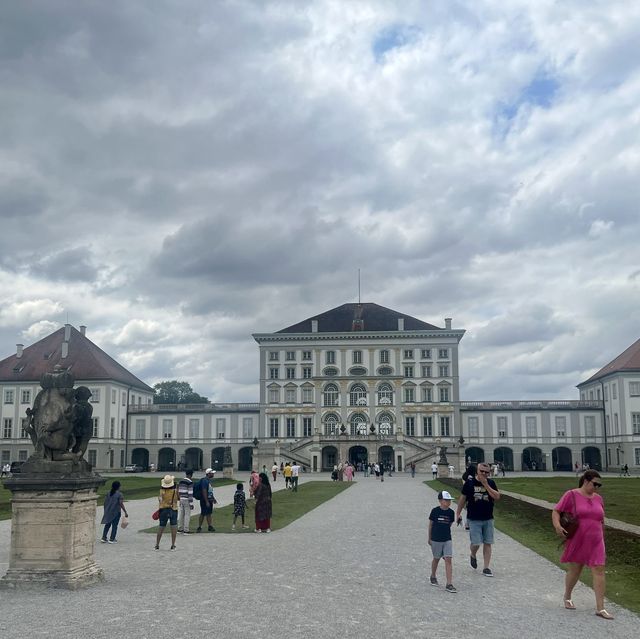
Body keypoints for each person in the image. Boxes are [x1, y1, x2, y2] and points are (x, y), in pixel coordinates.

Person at [552, 470, 612, 619]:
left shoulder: (598, 498)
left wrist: (603, 534)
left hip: (596, 540)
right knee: (575, 569)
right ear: (586, 480)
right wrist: (557, 526)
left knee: (599, 569)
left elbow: (601, 519)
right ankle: (567, 596)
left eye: (599, 485)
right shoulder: (571, 494)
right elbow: (556, 511)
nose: (597, 487)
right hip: (579, 539)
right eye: (595, 484)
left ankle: (600, 608)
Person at [455, 462, 501, 577]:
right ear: (477, 471)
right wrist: (458, 513)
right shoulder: (469, 483)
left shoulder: (490, 483)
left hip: (488, 518)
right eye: (482, 471)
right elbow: (462, 499)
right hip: (474, 518)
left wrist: (486, 485)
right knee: (476, 543)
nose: (484, 474)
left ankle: (486, 567)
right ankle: (473, 554)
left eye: (486, 472)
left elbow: (497, 496)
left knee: (488, 542)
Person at [428, 490, 457, 593]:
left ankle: (449, 583)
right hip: (436, 539)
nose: (449, 502)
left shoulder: (451, 513)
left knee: (448, 559)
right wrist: (429, 538)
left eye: (449, 500)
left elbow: (449, 524)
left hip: (447, 539)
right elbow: (431, 525)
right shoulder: (435, 511)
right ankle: (433, 575)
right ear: (440, 501)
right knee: (436, 558)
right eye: (446, 500)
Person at [155, 474, 179, 550]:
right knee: (173, 527)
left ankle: (157, 544)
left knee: (161, 527)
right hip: (173, 509)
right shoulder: (175, 491)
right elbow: (178, 498)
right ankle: (173, 544)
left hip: (163, 510)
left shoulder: (161, 491)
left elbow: (160, 500)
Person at [196, 468, 217, 533]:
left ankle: (210, 526)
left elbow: (209, 491)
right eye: (212, 473)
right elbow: (204, 491)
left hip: (209, 499)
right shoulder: (205, 481)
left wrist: (213, 498)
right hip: (205, 500)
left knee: (209, 513)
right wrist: (206, 501)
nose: (213, 474)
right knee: (203, 513)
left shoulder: (209, 481)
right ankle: (199, 526)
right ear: (208, 474)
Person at [177, 469, 194, 534]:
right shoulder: (190, 482)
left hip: (181, 498)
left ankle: (180, 528)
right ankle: (186, 529)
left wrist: (179, 497)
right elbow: (190, 493)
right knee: (187, 514)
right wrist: (191, 503)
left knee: (181, 514)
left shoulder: (181, 481)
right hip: (187, 499)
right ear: (191, 474)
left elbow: (179, 490)